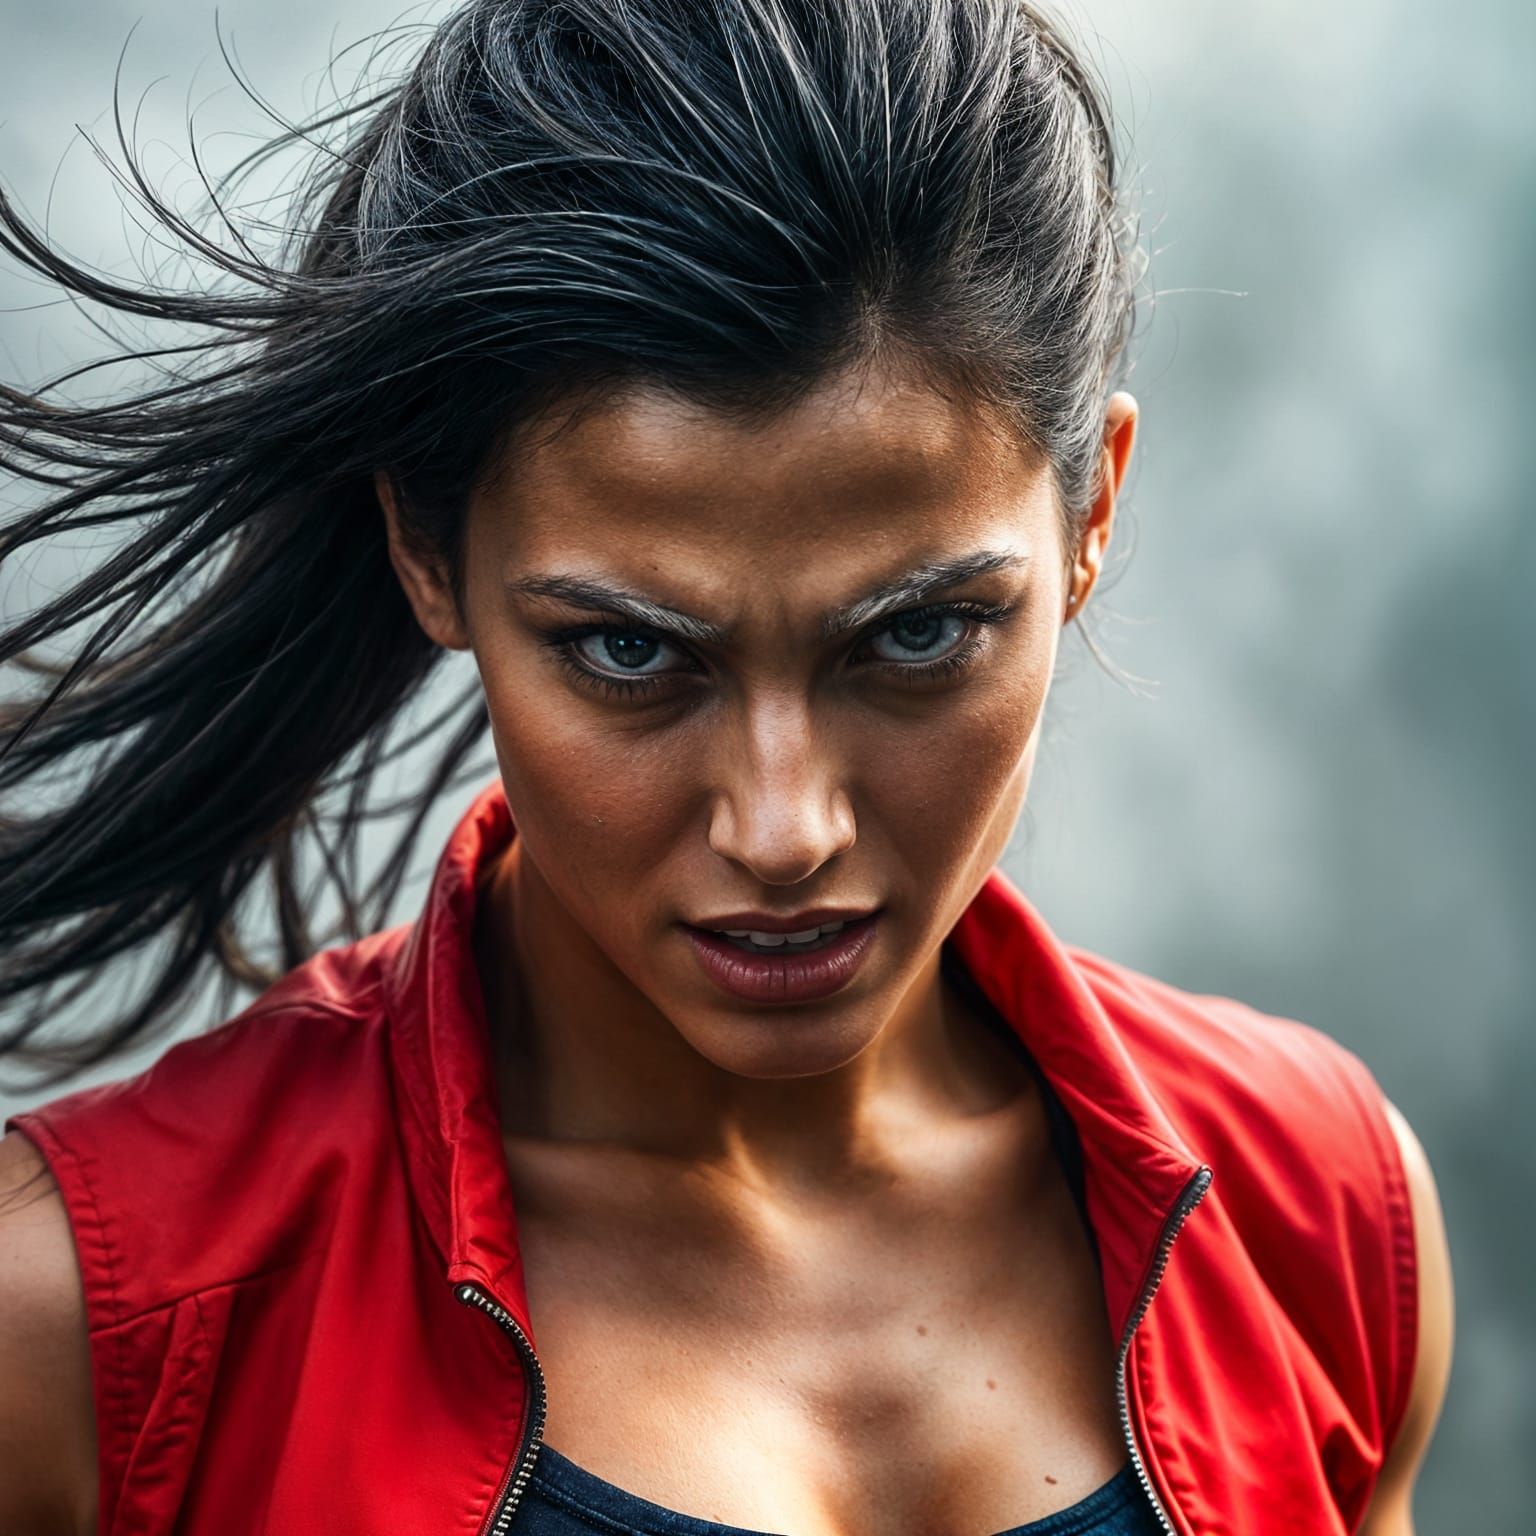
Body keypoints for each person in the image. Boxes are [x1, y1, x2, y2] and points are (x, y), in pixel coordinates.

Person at [0, 0, 1452, 1532]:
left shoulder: (1322, 1211)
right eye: (632, 654)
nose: (783, 829)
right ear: (427, 552)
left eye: (916, 638)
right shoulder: (94, 1331)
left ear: (1093, 517)